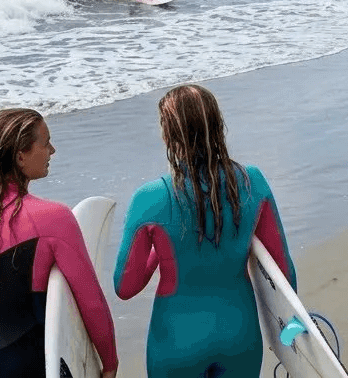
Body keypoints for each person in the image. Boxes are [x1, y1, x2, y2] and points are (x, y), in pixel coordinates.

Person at [115, 85, 295, 376]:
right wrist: (290, 332)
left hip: (176, 339)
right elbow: (283, 271)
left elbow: (125, 287)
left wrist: (159, 254)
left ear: (168, 135)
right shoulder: (253, 182)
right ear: (218, 125)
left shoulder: (149, 198)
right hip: (240, 334)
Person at [0, 109, 118, 378]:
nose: (52, 150)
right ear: (20, 156)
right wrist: (109, 363)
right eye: (45, 143)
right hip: (35, 366)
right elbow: (91, 302)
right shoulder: (54, 218)